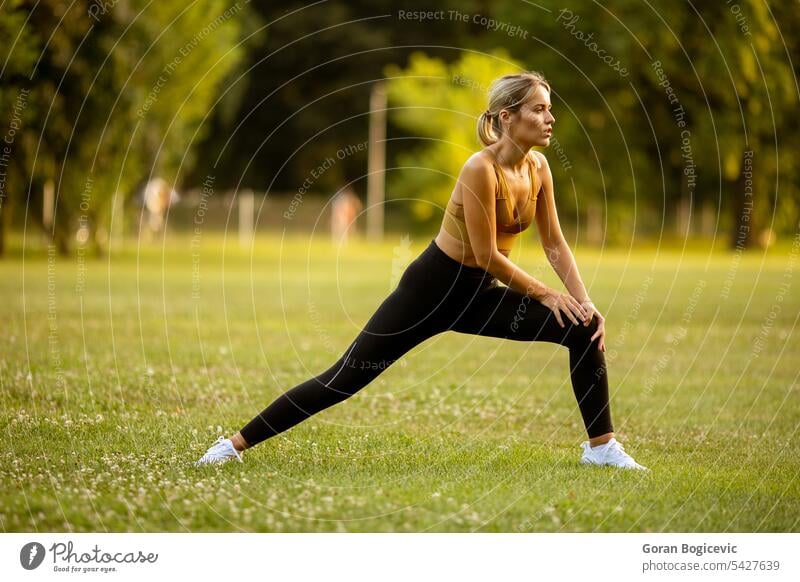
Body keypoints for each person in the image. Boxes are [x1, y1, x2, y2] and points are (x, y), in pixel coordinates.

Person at [195, 72, 648, 471]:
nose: (550, 119)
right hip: (430, 290)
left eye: (551, 110)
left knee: (583, 326)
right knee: (343, 380)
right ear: (507, 117)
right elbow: (489, 253)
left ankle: (601, 447)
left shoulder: (539, 168)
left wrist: (583, 301)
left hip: (479, 294)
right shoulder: (480, 169)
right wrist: (548, 295)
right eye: (539, 109)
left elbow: (553, 242)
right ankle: (233, 445)